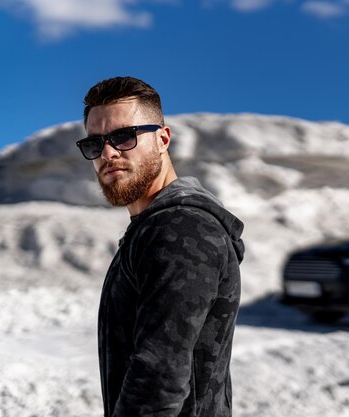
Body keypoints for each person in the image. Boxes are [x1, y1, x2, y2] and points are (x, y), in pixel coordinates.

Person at [77, 76, 245, 417]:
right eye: (95, 144)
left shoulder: (181, 230)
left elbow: (159, 375)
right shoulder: (153, 228)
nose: (108, 153)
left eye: (123, 136)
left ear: (162, 139)